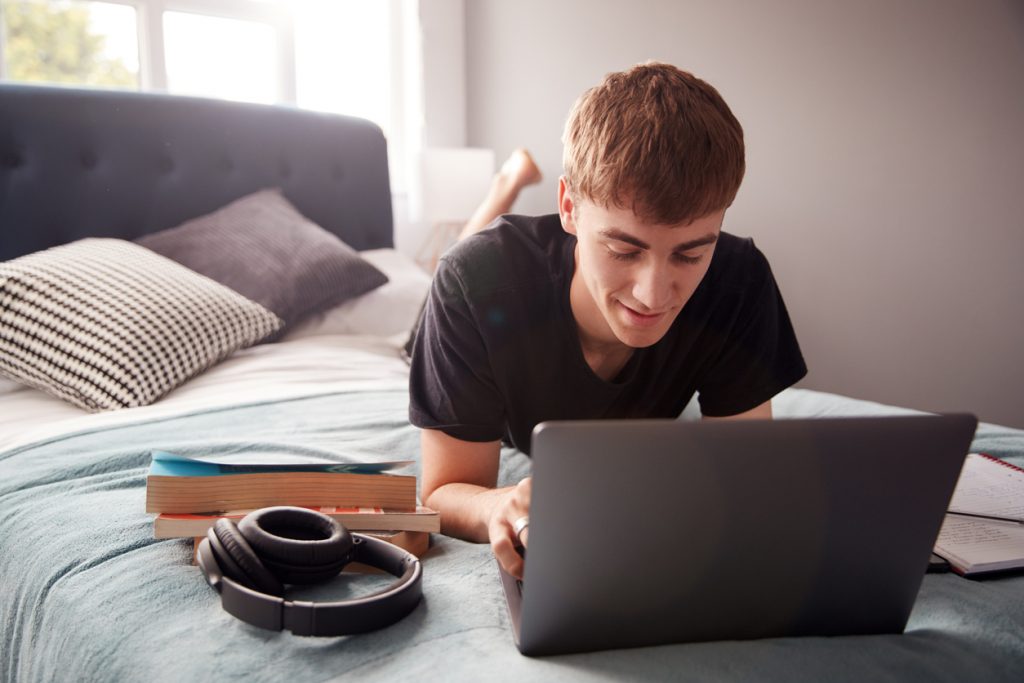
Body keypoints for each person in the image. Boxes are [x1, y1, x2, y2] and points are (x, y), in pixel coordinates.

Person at [407, 62, 807, 580]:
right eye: (623, 248)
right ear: (569, 206)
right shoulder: (473, 283)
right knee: (438, 284)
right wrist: (497, 506)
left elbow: (745, 473)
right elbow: (442, 491)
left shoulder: (739, 279)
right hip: (463, 302)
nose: (653, 294)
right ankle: (504, 186)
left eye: (689, 255)